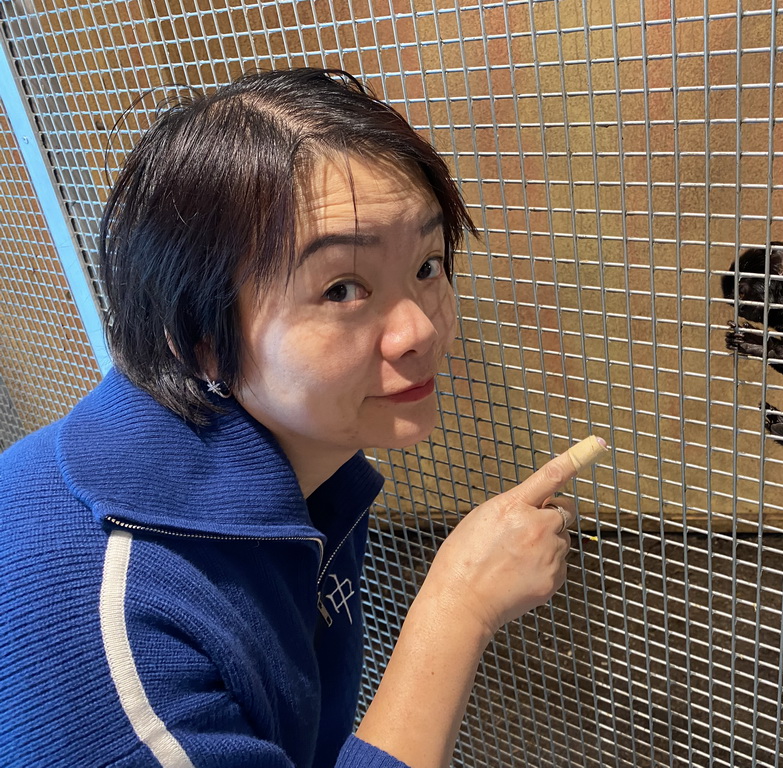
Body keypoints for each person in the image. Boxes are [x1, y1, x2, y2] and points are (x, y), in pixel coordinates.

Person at [0, 68, 588, 768]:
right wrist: (457, 607)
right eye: (342, 288)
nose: (419, 331)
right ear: (202, 340)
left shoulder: (303, 459)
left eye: (428, 266)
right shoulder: (114, 626)